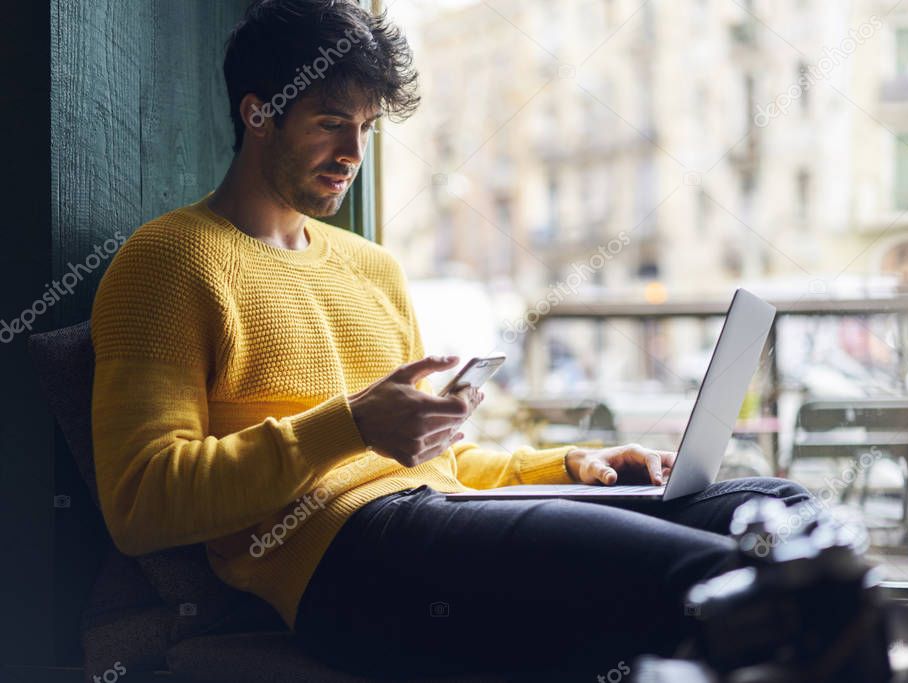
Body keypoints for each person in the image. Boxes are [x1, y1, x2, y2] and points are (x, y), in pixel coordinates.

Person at [89, 0, 811, 678]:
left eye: (367, 128)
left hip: (439, 518)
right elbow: (140, 502)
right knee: (723, 576)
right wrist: (349, 426)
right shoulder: (170, 258)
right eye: (329, 123)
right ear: (258, 115)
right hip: (347, 567)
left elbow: (443, 461)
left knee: (782, 513)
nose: (353, 151)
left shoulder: (371, 267)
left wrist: (568, 463)